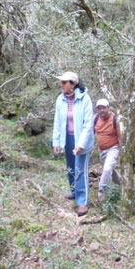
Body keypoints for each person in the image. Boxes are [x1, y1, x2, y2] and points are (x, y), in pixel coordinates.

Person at [52, 71, 94, 217]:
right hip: (67, 138)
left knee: (80, 170)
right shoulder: (60, 99)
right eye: (61, 82)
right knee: (70, 167)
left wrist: (81, 144)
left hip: (82, 139)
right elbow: (57, 121)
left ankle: (82, 201)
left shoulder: (85, 99)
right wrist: (56, 141)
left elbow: (88, 125)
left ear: (73, 84)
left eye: (64, 82)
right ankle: (74, 191)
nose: (61, 85)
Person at [93, 99, 121, 198]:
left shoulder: (115, 120)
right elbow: (90, 133)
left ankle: (102, 193)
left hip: (114, 148)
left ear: (108, 108)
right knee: (110, 171)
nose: (101, 110)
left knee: (107, 169)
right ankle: (121, 186)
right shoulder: (95, 119)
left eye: (104, 108)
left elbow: (121, 137)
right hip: (102, 150)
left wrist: (124, 152)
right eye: (99, 108)